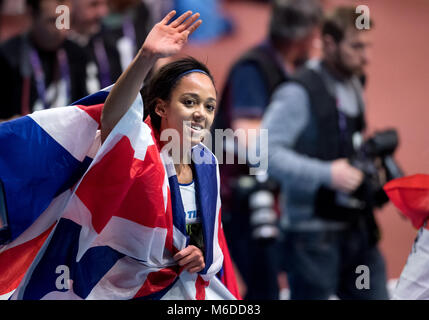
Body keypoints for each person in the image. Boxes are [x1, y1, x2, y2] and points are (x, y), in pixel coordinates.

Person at [1, 10, 240, 300]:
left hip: (180, 291)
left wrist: (197, 252)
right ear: (161, 107)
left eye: (210, 106)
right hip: (117, 289)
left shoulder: (206, 163)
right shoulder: (141, 152)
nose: (201, 113)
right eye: (189, 102)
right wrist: (146, 56)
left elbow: (194, 226)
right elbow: (113, 118)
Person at [262, 6, 389, 299]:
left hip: (357, 230)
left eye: (368, 46)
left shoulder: (354, 82)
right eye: (357, 46)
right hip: (311, 238)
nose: (366, 57)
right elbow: (266, 154)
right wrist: (327, 174)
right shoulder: (298, 92)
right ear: (329, 44)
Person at [212, 0, 323, 299]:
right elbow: (252, 143)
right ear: (304, 36)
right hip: (240, 201)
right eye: (316, 32)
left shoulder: (300, 68)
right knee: (265, 289)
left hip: (279, 200)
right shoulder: (252, 69)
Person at [0, 0, 87, 121]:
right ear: (31, 14)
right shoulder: (8, 56)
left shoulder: (76, 53)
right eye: (52, 21)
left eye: (65, 20)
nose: (61, 30)